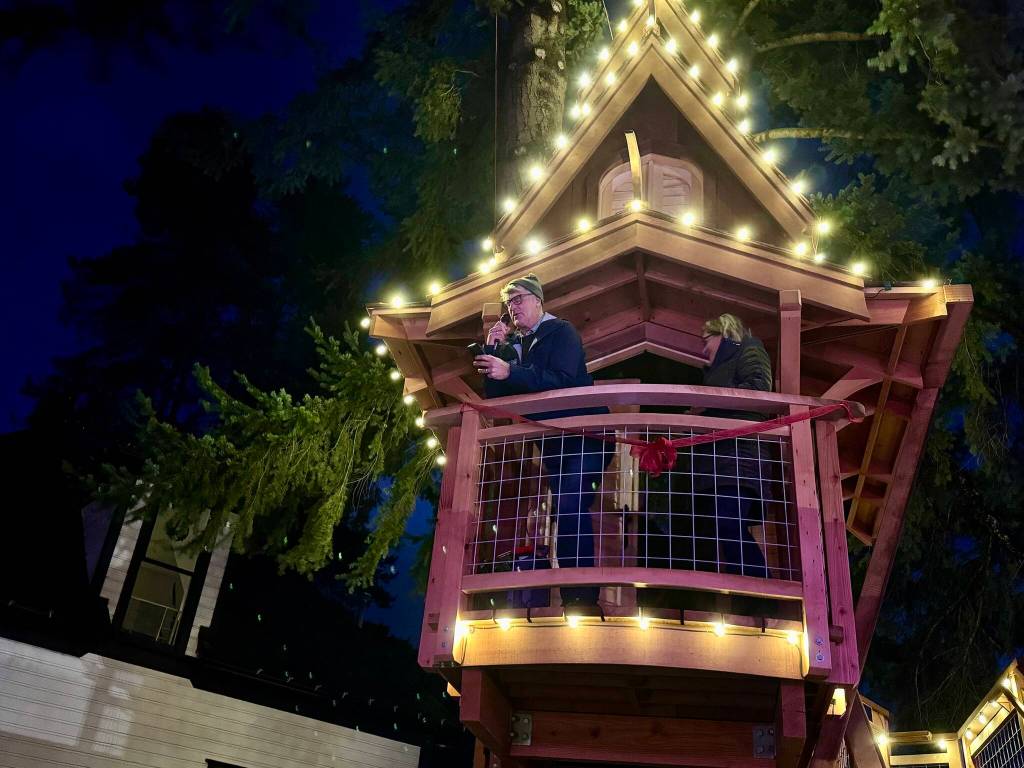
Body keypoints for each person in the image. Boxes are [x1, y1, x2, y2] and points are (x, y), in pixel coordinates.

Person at [474, 273, 610, 608]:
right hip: (554, 443)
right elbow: (495, 395)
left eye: (518, 298)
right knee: (565, 511)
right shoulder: (516, 346)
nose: (513, 306)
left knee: (569, 505)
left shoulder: (561, 331)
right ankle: (573, 596)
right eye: (509, 302)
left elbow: (562, 380)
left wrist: (512, 371)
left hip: (587, 436)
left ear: (538, 300)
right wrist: (495, 350)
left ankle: (582, 598)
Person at [692, 313, 773, 578]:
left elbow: (759, 389)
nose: (704, 349)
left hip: (740, 455)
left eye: (706, 340)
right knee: (726, 527)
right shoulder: (716, 371)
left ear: (723, 332)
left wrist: (708, 408)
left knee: (728, 525)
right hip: (724, 460)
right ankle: (755, 593)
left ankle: (764, 590)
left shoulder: (749, 347)